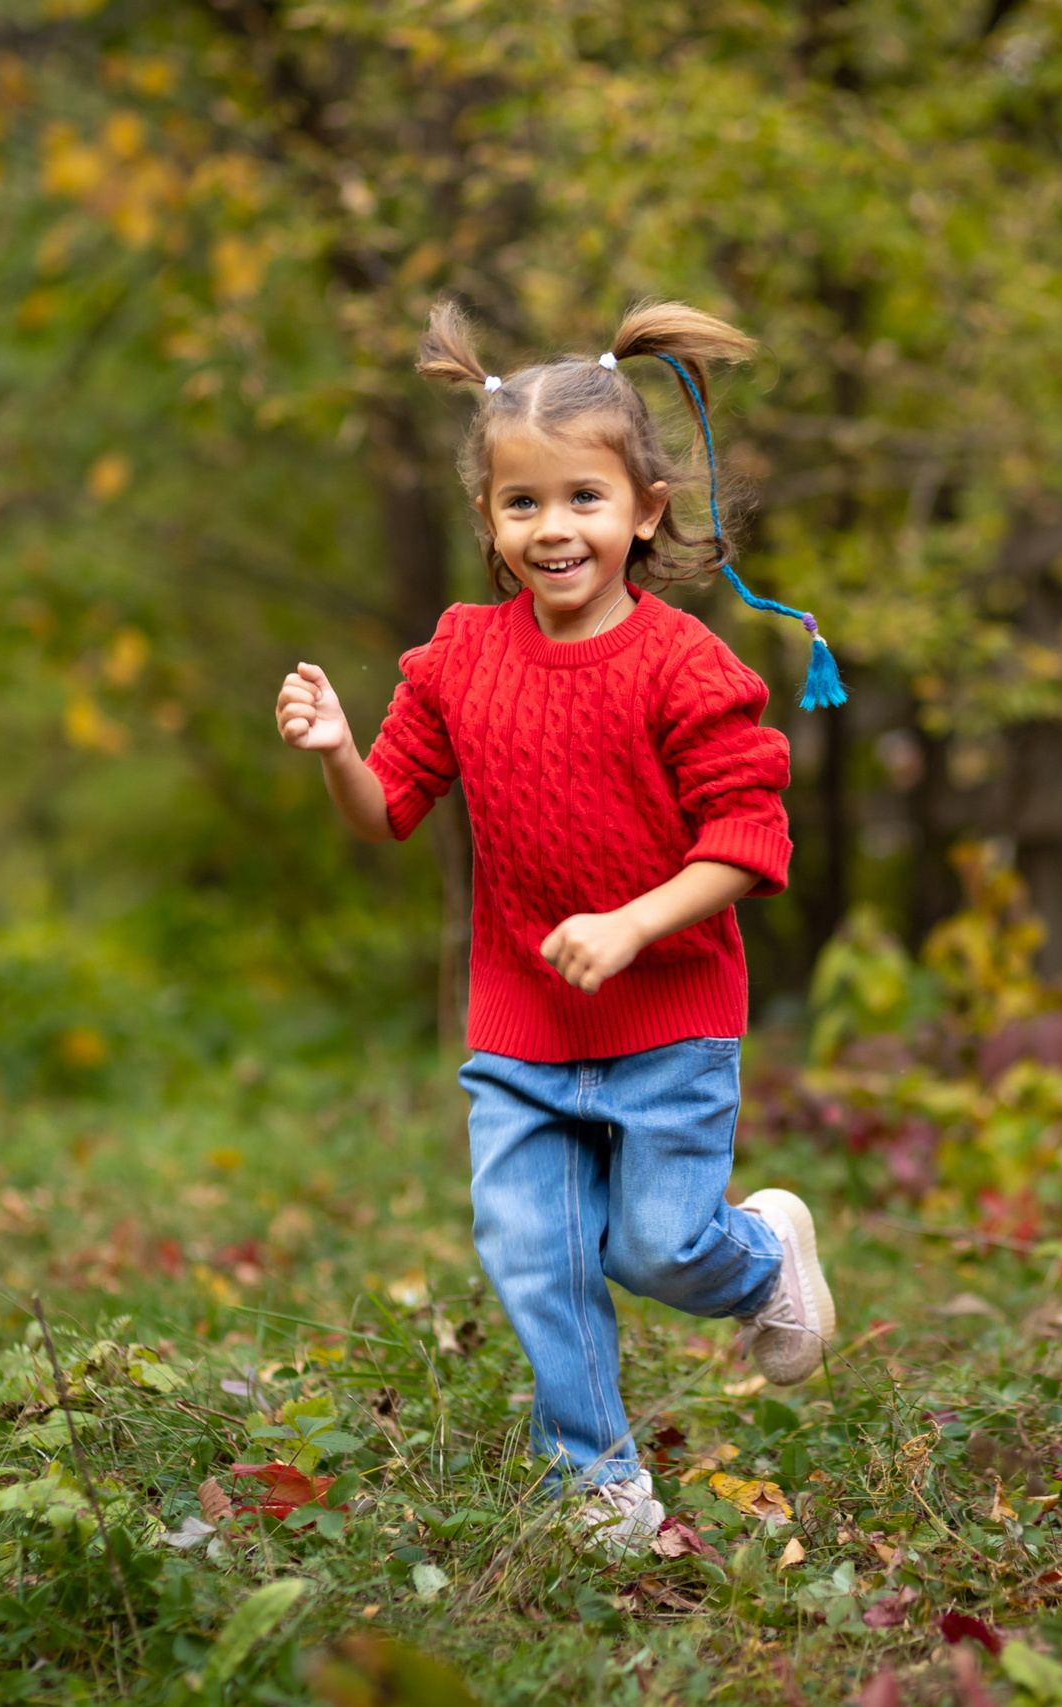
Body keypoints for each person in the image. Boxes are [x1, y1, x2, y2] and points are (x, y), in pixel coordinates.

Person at [272, 299, 835, 1545]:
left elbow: (750, 842)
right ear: (489, 522)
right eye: (521, 504)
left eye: (582, 498)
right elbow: (388, 813)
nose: (552, 528)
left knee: (654, 1248)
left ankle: (760, 1255)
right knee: (534, 1258)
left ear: (642, 508)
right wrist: (334, 755)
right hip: (522, 1028)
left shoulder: (685, 666)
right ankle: (597, 1484)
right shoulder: (457, 660)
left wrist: (635, 924)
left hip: (667, 1021)